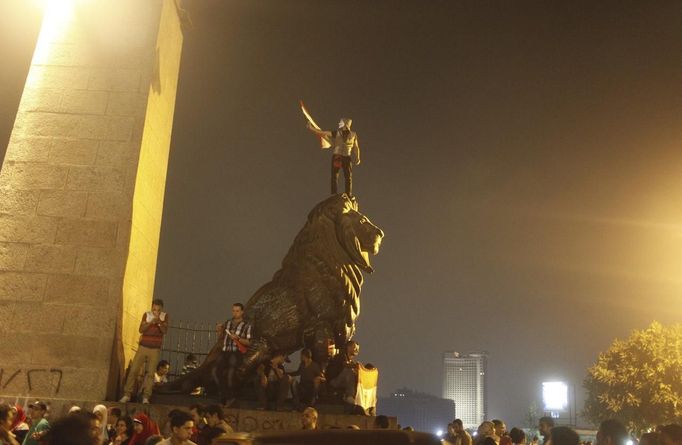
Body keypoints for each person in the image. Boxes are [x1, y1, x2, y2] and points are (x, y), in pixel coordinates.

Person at [120, 299, 169, 404]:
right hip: (143, 347)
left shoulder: (165, 316)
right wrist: (151, 322)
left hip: (155, 349)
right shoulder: (146, 315)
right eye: (154, 309)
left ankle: (146, 397)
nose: (156, 312)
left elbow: (165, 331)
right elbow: (141, 329)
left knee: (151, 374)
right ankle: (127, 394)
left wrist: (159, 322)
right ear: (152, 308)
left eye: (158, 310)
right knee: (134, 370)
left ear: (161, 309)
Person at [306, 118, 361, 196]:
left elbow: (356, 147)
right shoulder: (337, 133)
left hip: (347, 157)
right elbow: (323, 133)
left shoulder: (353, 134)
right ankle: (334, 193)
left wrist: (358, 157)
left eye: (341, 122)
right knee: (335, 175)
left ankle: (348, 194)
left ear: (345, 124)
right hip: (337, 156)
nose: (339, 123)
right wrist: (311, 128)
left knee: (348, 177)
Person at [214, 303, 252, 405]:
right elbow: (221, 338)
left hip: (236, 352)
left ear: (242, 312)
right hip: (225, 350)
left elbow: (249, 342)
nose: (235, 313)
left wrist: (238, 338)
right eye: (233, 311)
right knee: (216, 372)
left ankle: (230, 397)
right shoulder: (228, 323)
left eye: (237, 311)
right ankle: (225, 395)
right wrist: (219, 331)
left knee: (231, 374)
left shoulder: (246, 325)